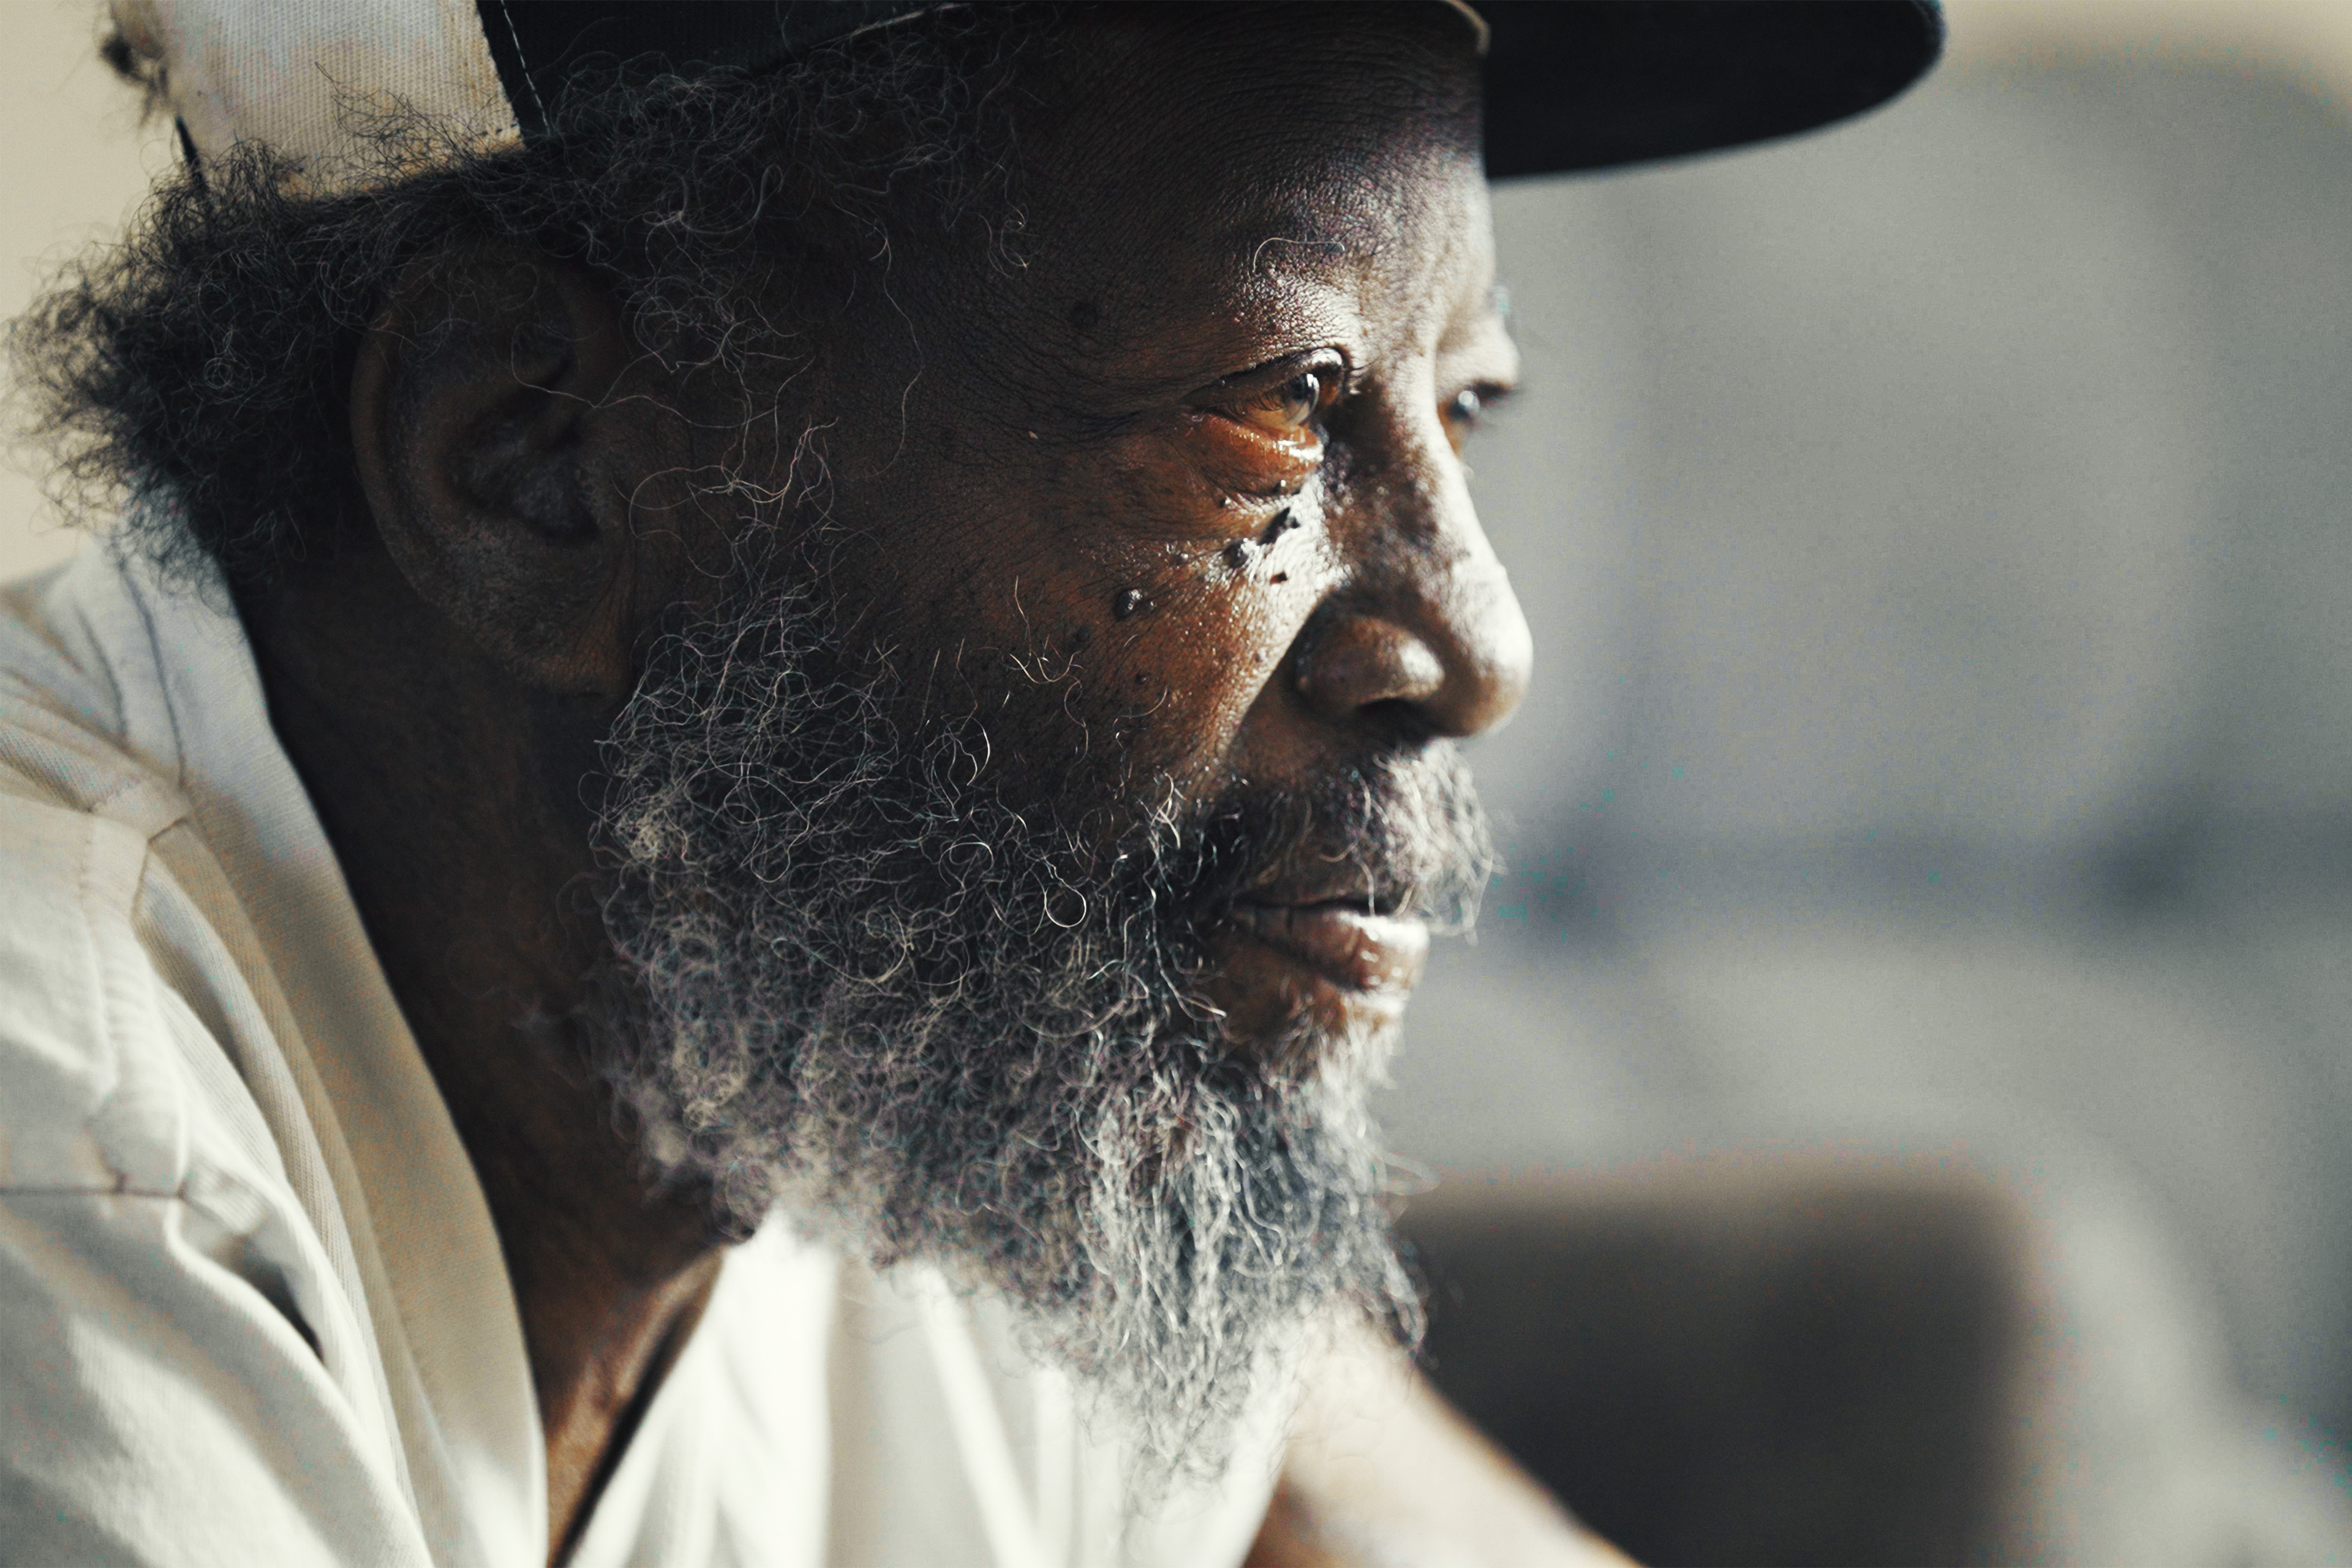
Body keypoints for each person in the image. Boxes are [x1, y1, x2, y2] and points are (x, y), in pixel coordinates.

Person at [0, 3, 1938, 1564]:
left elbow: (1332, 1457)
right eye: (1279, 401)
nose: (1480, 647)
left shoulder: (919, 1047)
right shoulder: (68, 1141)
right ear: (533, 464)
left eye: (1467, 409)